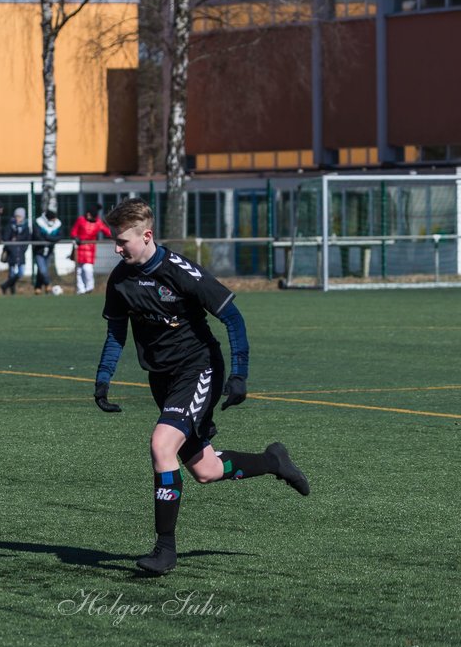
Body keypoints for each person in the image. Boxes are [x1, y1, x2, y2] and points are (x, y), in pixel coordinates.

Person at [92, 199, 310, 575]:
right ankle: (274, 461)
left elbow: (233, 318)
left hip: (199, 369)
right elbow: (116, 333)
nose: (116, 248)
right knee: (206, 470)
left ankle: (165, 550)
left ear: (147, 235)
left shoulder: (181, 272)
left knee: (161, 446)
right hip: (161, 378)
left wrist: (239, 374)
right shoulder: (121, 279)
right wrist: (103, 379)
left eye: (122, 241)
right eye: (114, 240)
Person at [70, 204, 111, 295]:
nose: (88, 215)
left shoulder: (99, 223)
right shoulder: (80, 220)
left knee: (87, 268)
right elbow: (73, 231)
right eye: (87, 213)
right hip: (79, 248)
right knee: (79, 270)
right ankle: (80, 289)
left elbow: (108, 232)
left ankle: (89, 287)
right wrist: (76, 237)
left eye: (90, 213)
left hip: (90, 249)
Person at [0, 207, 33, 294]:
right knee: (11, 274)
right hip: (11, 254)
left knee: (21, 273)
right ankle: (12, 292)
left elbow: (27, 241)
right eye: (16, 216)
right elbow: (6, 238)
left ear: (23, 217)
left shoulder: (26, 228)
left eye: (20, 216)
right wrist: (12, 247)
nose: (18, 218)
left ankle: (5, 285)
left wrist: (19, 244)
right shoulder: (10, 226)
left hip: (21, 253)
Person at [32, 207, 62, 294]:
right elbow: (37, 236)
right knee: (42, 270)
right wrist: (51, 239)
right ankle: (49, 285)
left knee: (42, 271)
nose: (55, 220)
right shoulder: (38, 222)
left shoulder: (57, 223)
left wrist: (48, 238)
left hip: (49, 251)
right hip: (39, 251)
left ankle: (38, 288)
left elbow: (59, 236)